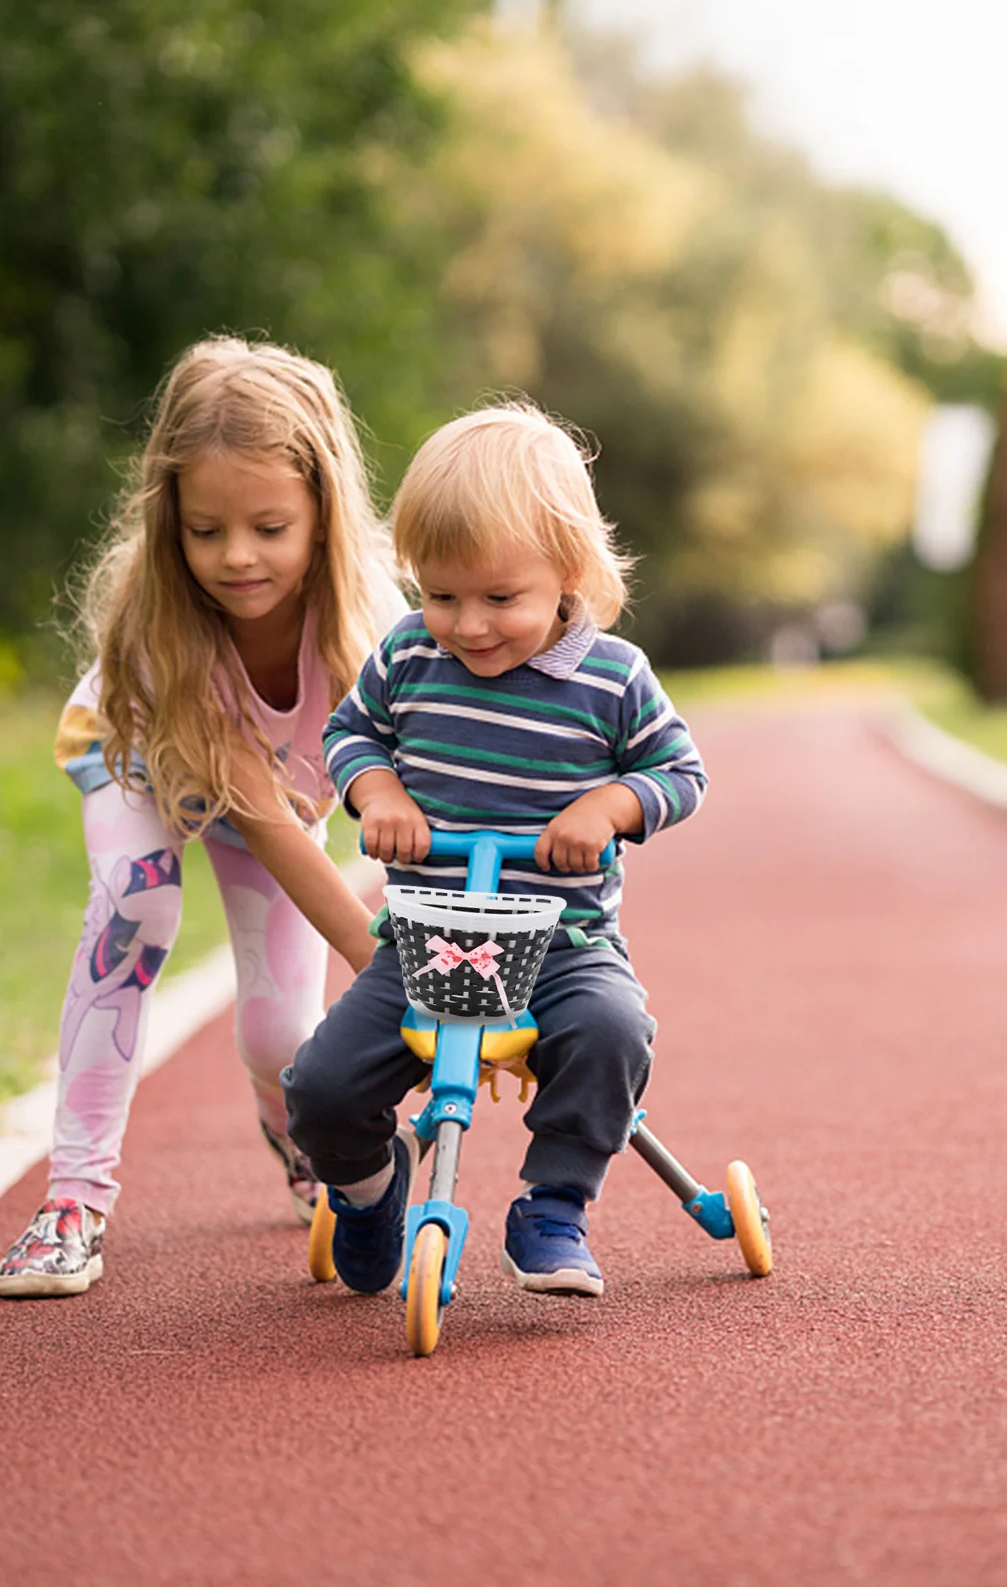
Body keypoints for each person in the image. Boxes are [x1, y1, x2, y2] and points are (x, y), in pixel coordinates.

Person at [0, 337, 405, 1298]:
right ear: (168, 517)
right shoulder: (164, 631)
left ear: (324, 515)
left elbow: (411, 793)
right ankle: (73, 1200)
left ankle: (298, 1131)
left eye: (269, 527)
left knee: (278, 1033)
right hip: (144, 758)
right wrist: (389, 969)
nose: (236, 557)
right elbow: (260, 820)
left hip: (277, 795)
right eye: (206, 529)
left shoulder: (373, 629)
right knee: (139, 906)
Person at [282, 402, 707, 1299]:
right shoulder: (407, 657)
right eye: (441, 595)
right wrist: (380, 790)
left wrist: (611, 803)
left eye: (498, 598)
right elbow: (350, 735)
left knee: (613, 1033)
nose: (467, 625)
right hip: (422, 943)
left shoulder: (613, 678)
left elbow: (681, 771)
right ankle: (367, 1192)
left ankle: (554, 1202)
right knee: (319, 1086)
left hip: (563, 947)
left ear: (570, 574)